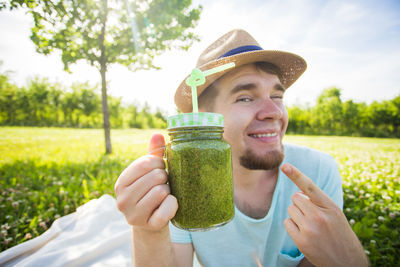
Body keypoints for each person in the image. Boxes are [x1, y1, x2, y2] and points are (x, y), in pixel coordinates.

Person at [114, 29, 369, 267]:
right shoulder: (187, 181)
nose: (274, 112)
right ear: (205, 117)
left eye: (278, 96)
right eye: (245, 98)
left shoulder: (318, 173)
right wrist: (148, 230)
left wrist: (350, 258)